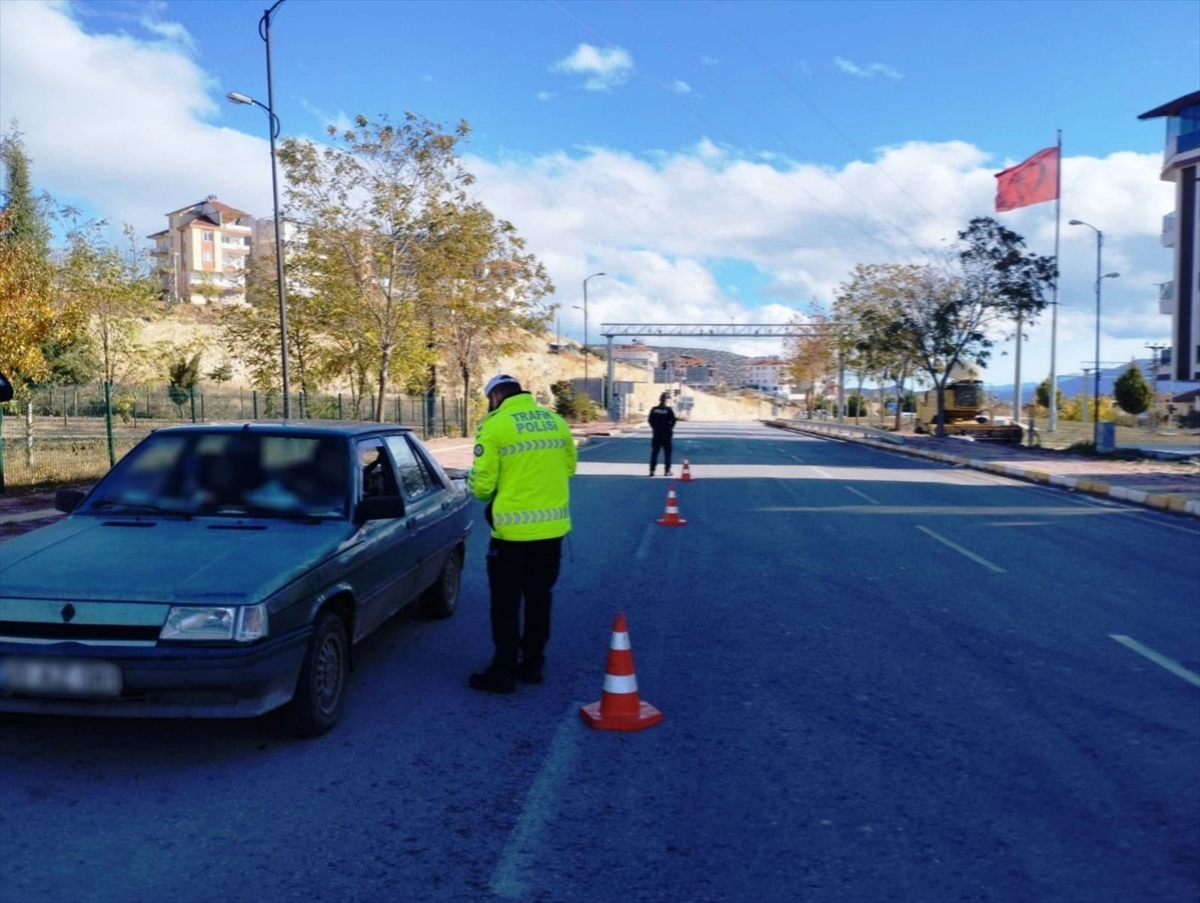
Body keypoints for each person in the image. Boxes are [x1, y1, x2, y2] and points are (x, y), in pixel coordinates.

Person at [467, 374, 577, 693]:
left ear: (496, 396)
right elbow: (569, 467)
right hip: (552, 531)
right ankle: (532, 665)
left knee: (505, 603)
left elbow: (484, 485)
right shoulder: (555, 421)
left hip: (511, 536)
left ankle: (502, 672)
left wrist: (490, 492)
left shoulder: (496, 424)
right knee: (540, 599)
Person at [647, 392, 677, 477]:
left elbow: (650, 420)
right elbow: (674, 421)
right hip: (666, 434)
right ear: (666, 400)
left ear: (660, 399)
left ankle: (652, 471)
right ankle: (667, 471)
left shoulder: (654, 409)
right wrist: (669, 428)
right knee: (667, 453)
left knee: (654, 453)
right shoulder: (668, 410)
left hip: (656, 434)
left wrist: (654, 427)